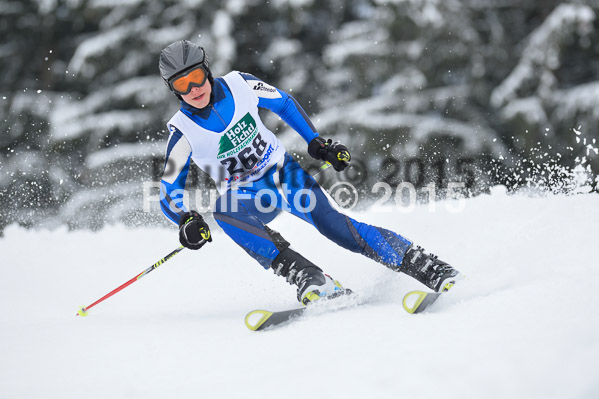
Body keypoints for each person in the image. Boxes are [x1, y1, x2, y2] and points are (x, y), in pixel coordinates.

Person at [158, 40, 460, 305]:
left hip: (283, 175)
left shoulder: (239, 84)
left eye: (197, 77)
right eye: (182, 84)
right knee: (225, 211)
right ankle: (308, 276)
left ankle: (423, 264)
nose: (194, 89)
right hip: (247, 196)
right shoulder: (182, 133)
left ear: (206, 71)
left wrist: (315, 141)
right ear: (174, 90)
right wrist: (186, 219)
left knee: (337, 229)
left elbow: (284, 103)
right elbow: (168, 190)